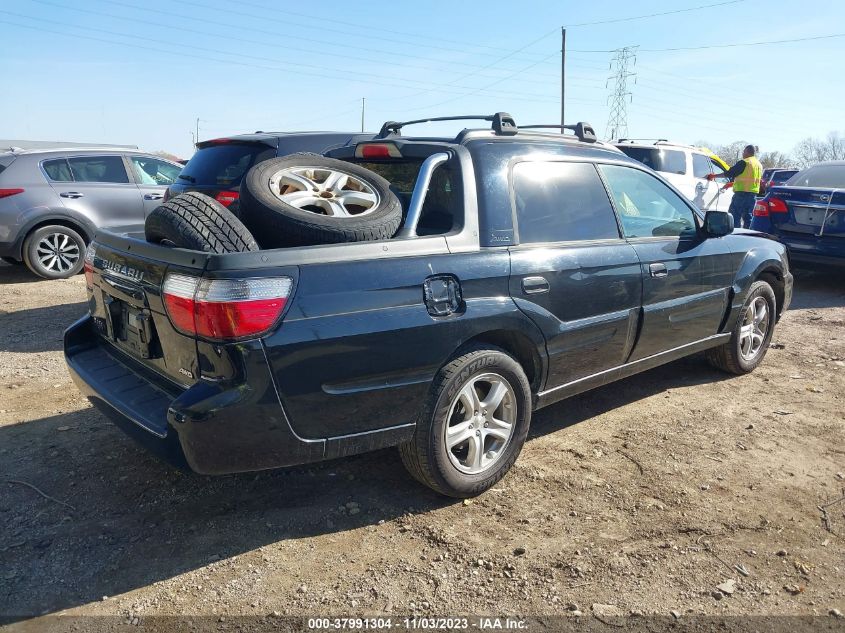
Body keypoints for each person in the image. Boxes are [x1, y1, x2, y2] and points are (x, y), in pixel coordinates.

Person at [707, 144, 762, 228]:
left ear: (747, 152)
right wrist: (732, 184)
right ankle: (746, 235)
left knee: (734, 216)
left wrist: (714, 176)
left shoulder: (745, 162)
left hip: (741, 194)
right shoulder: (759, 165)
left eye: (744, 151)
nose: (743, 154)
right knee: (748, 217)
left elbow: (729, 173)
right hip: (752, 195)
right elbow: (750, 179)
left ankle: (735, 235)